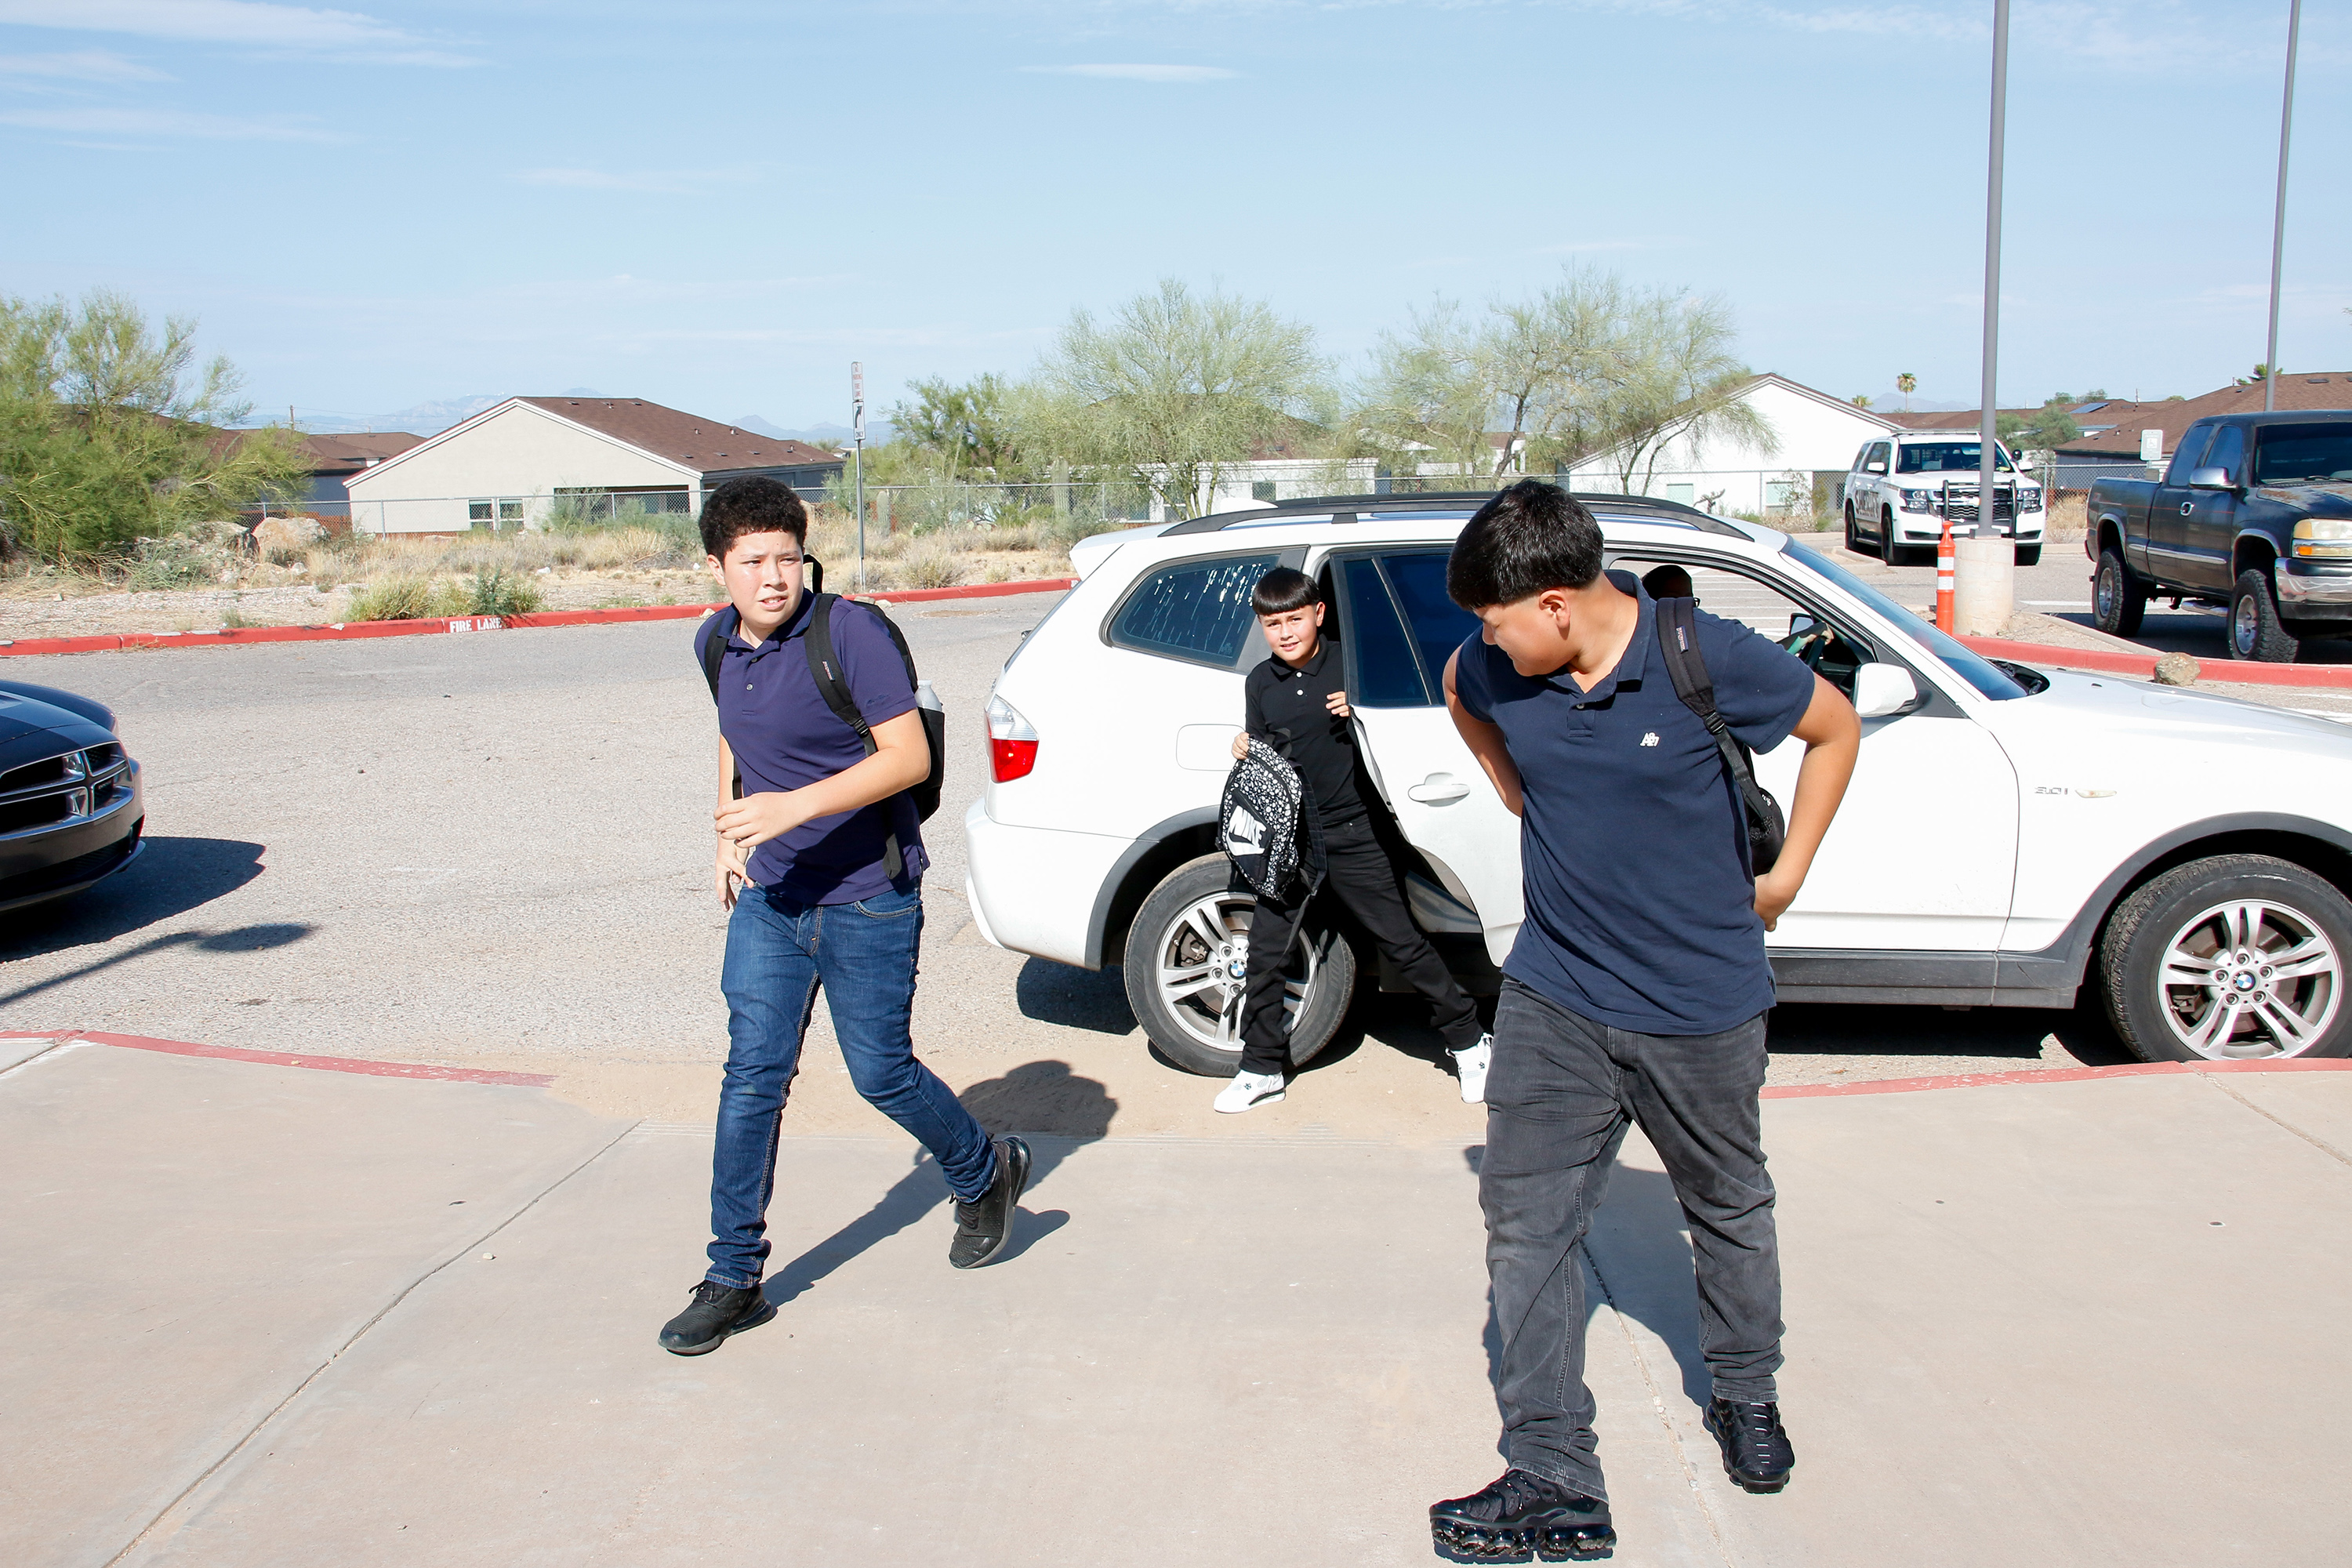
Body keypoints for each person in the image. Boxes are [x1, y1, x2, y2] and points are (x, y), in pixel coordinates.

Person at [1425, 481, 1859, 1559]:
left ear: (1560, 605)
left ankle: (1746, 1395)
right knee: (1526, 1228)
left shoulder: (1701, 655)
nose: (1483, 640)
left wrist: (1789, 874)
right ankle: (1552, 1476)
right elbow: (1460, 689)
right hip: (1555, 996)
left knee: (1727, 1204)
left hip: (1701, 1005)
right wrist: (1516, 787)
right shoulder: (1490, 669)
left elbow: (1834, 728)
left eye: (1497, 618)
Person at [659, 477, 1030, 1357]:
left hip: (870, 894)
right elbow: (731, 731)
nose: (774, 575)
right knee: (752, 1073)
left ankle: (986, 1170)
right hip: (774, 899)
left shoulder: (848, 632)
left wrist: (790, 807)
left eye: (788, 556)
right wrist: (726, 833)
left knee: (880, 1072)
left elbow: (904, 758)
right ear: (719, 568)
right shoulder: (715, 642)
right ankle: (732, 1273)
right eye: (753, 560)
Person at [1214, 566, 1491, 1116]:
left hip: (1353, 830)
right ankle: (1261, 1066)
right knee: (1266, 953)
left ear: (1318, 614)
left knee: (1401, 942)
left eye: (1295, 619)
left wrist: (1361, 711)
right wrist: (1245, 745)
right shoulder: (1259, 682)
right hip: (1290, 842)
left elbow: (1408, 722)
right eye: (1273, 623)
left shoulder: (1352, 665)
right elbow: (1270, 759)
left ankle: (1470, 1041)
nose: (1286, 632)